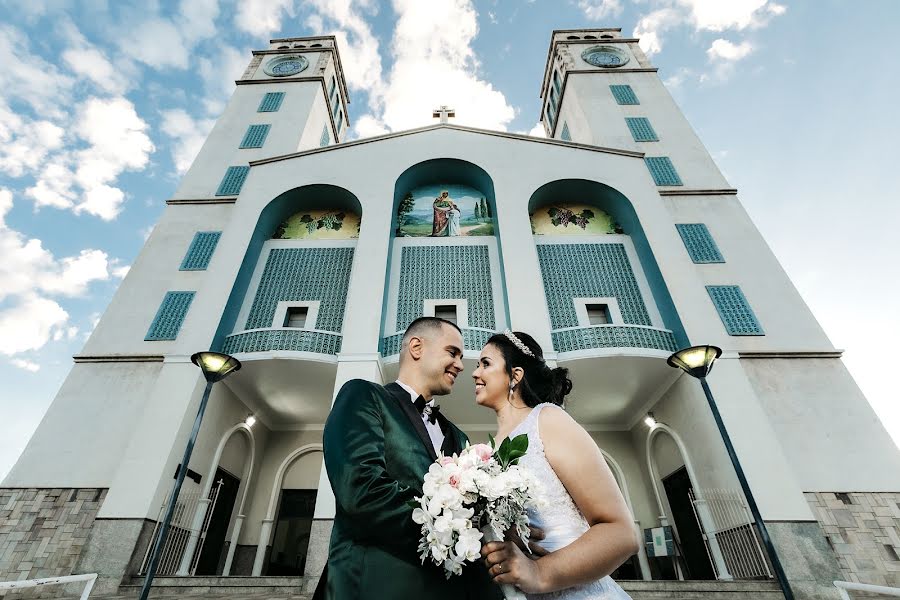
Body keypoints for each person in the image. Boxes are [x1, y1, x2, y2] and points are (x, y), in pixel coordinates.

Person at [314, 317, 502, 600]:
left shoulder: (458, 436)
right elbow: (361, 490)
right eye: (453, 353)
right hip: (371, 584)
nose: (462, 365)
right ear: (416, 347)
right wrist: (448, 533)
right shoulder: (364, 396)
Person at [475, 330, 638, 599]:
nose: (475, 373)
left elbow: (621, 533)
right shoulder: (491, 451)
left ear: (515, 375)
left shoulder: (547, 420)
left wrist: (540, 573)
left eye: (485, 363)